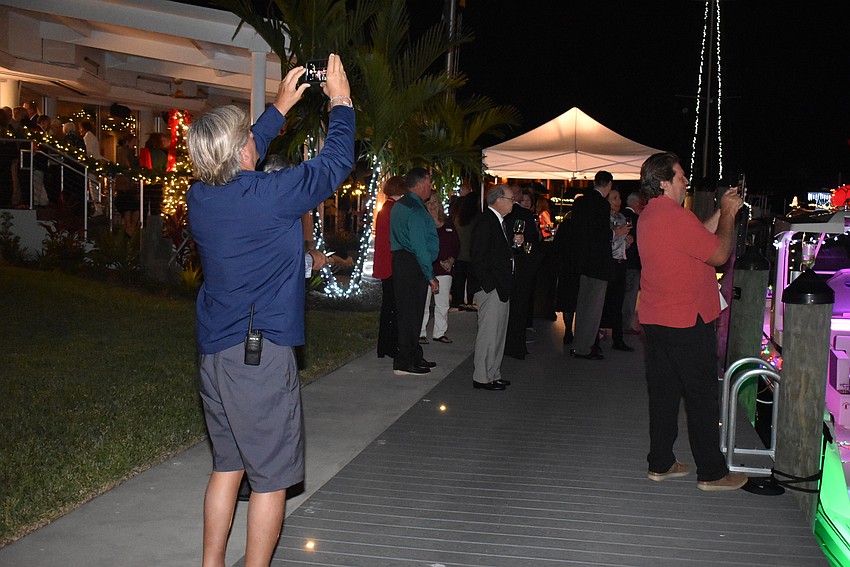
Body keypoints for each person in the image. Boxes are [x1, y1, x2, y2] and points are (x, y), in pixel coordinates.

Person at [185, 54, 354, 566]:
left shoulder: (199, 195)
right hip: (256, 360)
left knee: (228, 469)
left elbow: (238, 151)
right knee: (271, 481)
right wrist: (342, 102)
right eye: (249, 135)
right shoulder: (268, 196)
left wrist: (280, 106)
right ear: (242, 149)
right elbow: (335, 164)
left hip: (215, 355)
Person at [638, 151, 747, 492]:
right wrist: (729, 215)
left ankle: (661, 462)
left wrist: (718, 210)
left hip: (658, 319)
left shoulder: (651, 215)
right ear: (663, 182)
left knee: (665, 394)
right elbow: (718, 253)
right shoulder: (673, 215)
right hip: (687, 319)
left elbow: (699, 236)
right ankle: (712, 473)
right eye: (681, 175)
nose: (686, 180)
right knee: (701, 396)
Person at [569, 171, 630, 360]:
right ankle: (585, 348)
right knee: (593, 309)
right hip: (598, 263)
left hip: (583, 262)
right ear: (609, 184)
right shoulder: (601, 205)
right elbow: (600, 235)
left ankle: (578, 344)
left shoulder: (581, 202)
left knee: (583, 305)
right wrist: (616, 233)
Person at [470, 184, 522, 390]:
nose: (513, 203)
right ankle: (482, 376)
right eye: (511, 199)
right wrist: (489, 286)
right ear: (498, 199)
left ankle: (493, 373)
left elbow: (499, 254)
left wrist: (515, 246)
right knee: (489, 334)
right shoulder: (486, 221)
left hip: (500, 286)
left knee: (498, 333)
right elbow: (479, 256)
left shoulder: (499, 222)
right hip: (492, 288)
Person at [389, 167, 439, 376]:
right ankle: (405, 361)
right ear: (419, 184)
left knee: (409, 312)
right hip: (412, 263)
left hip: (403, 262)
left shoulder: (401, 205)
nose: (431, 188)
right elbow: (419, 245)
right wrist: (430, 275)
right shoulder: (415, 209)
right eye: (429, 183)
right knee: (412, 313)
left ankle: (413, 355)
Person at [503, 186, 540, 359]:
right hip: (521, 268)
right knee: (518, 308)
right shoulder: (524, 216)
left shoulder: (503, 215)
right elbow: (533, 242)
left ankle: (504, 343)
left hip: (506, 267)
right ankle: (516, 345)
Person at [373, 175, 407, 359]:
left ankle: (384, 347)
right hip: (392, 264)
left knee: (388, 306)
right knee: (392, 307)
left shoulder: (386, 209)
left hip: (385, 263)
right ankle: (390, 345)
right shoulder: (394, 210)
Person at [419, 197, 460, 344]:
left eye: (435, 202)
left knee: (442, 303)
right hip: (427, 268)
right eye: (429, 203)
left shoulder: (448, 224)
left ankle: (440, 332)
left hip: (444, 270)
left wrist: (451, 260)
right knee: (423, 302)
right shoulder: (422, 223)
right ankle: (421, 333)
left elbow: (456, 245)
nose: (432, 205)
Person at [599, 187, 634, 352]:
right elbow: (604, 244)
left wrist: (627, 241)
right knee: (603, 301)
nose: (618, 202)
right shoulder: (602, 219)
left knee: (618, 303)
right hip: (608, 264)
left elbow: (621, 244)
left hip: (621, 264)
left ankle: (618, 339)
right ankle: (596, 336)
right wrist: (617, 234)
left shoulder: (621, 218)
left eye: (619, 198)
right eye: (614, 198)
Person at [450, 187, 481, 311]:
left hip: (459, 253)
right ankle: (469, 300)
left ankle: (458, 301)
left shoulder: (459, 217)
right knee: (471, 279)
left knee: (459, 279)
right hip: (471, 253)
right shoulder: (477, 218)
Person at [621, 190, 644, 334]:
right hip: (633, 262)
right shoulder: (638, 220)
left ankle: (618, 323)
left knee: (621, 294)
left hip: (621, 262)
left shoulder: (620, 216)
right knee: (630, 296)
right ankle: (626, 325)